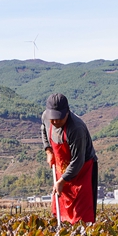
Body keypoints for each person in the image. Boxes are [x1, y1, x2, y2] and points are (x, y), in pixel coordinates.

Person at [41, 93, 98, 224]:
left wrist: (62, 181)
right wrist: (48, 151)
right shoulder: (46, 117)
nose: (55, 122)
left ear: (67, 112)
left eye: (59, 118)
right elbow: (43, 130)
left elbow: (78, 160)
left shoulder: (76, 128)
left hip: (82, 172)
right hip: (62, 168)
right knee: (61, 212)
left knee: (81, 216)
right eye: (52, 119)